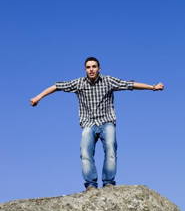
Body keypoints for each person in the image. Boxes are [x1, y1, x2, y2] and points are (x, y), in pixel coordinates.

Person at [30, 57, 164, 191]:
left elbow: (130, 84)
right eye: (88, 67)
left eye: (94, 66)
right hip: (88, 123)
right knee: (85, 153)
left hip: (107, 122)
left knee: (111, 149)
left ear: (99, 68)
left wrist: (152, 87)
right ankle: (90, 185)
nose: (91, 69)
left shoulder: (108, 81)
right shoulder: (79, 83)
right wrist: (38, 97)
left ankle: (108, 183)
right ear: (85, 70)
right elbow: (57, 86)